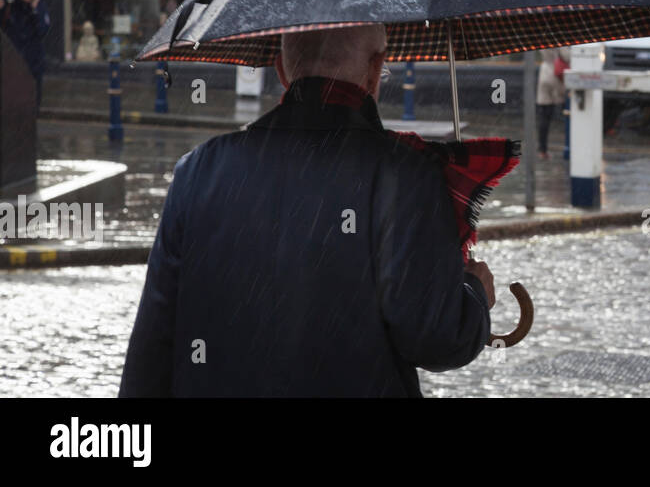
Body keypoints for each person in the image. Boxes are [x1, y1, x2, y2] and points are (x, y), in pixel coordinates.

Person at [120, 24, 495, 396]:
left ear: (282, 70)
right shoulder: (405, 174)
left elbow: (153, 347)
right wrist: (474, 291)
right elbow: (436, 339)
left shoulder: (198, 169)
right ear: (376, 67)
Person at [1, 0, 51, 105]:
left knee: (33, 102)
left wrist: (34, 10)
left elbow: (42, 31)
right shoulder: (9, 8)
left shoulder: (40, 6)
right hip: (13, 63)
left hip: (33, 63)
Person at [536, 46, 570, 159]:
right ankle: (570, 146)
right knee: (569, 112)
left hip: (544, 73)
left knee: (545, 116)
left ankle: (542, 150)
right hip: (557, 74)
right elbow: (566, 56)